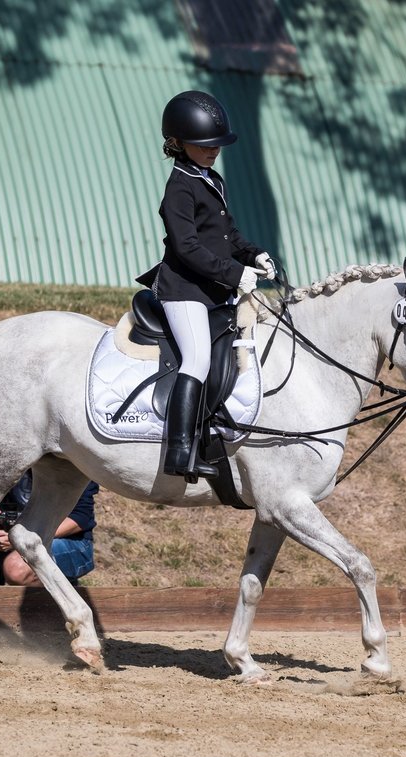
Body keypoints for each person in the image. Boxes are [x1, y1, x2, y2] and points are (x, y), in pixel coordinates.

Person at [137, 89, 274, 480]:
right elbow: (188, 247)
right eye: (203, 144)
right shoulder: (179, 187)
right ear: (178, 143)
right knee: (197, 359)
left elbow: (227, 234)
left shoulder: (211, 179)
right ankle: (180, 451)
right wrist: (234, 274)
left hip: (213, 290)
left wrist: (253, 255)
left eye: (217, 144)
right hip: (184, 290)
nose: (213, 150)